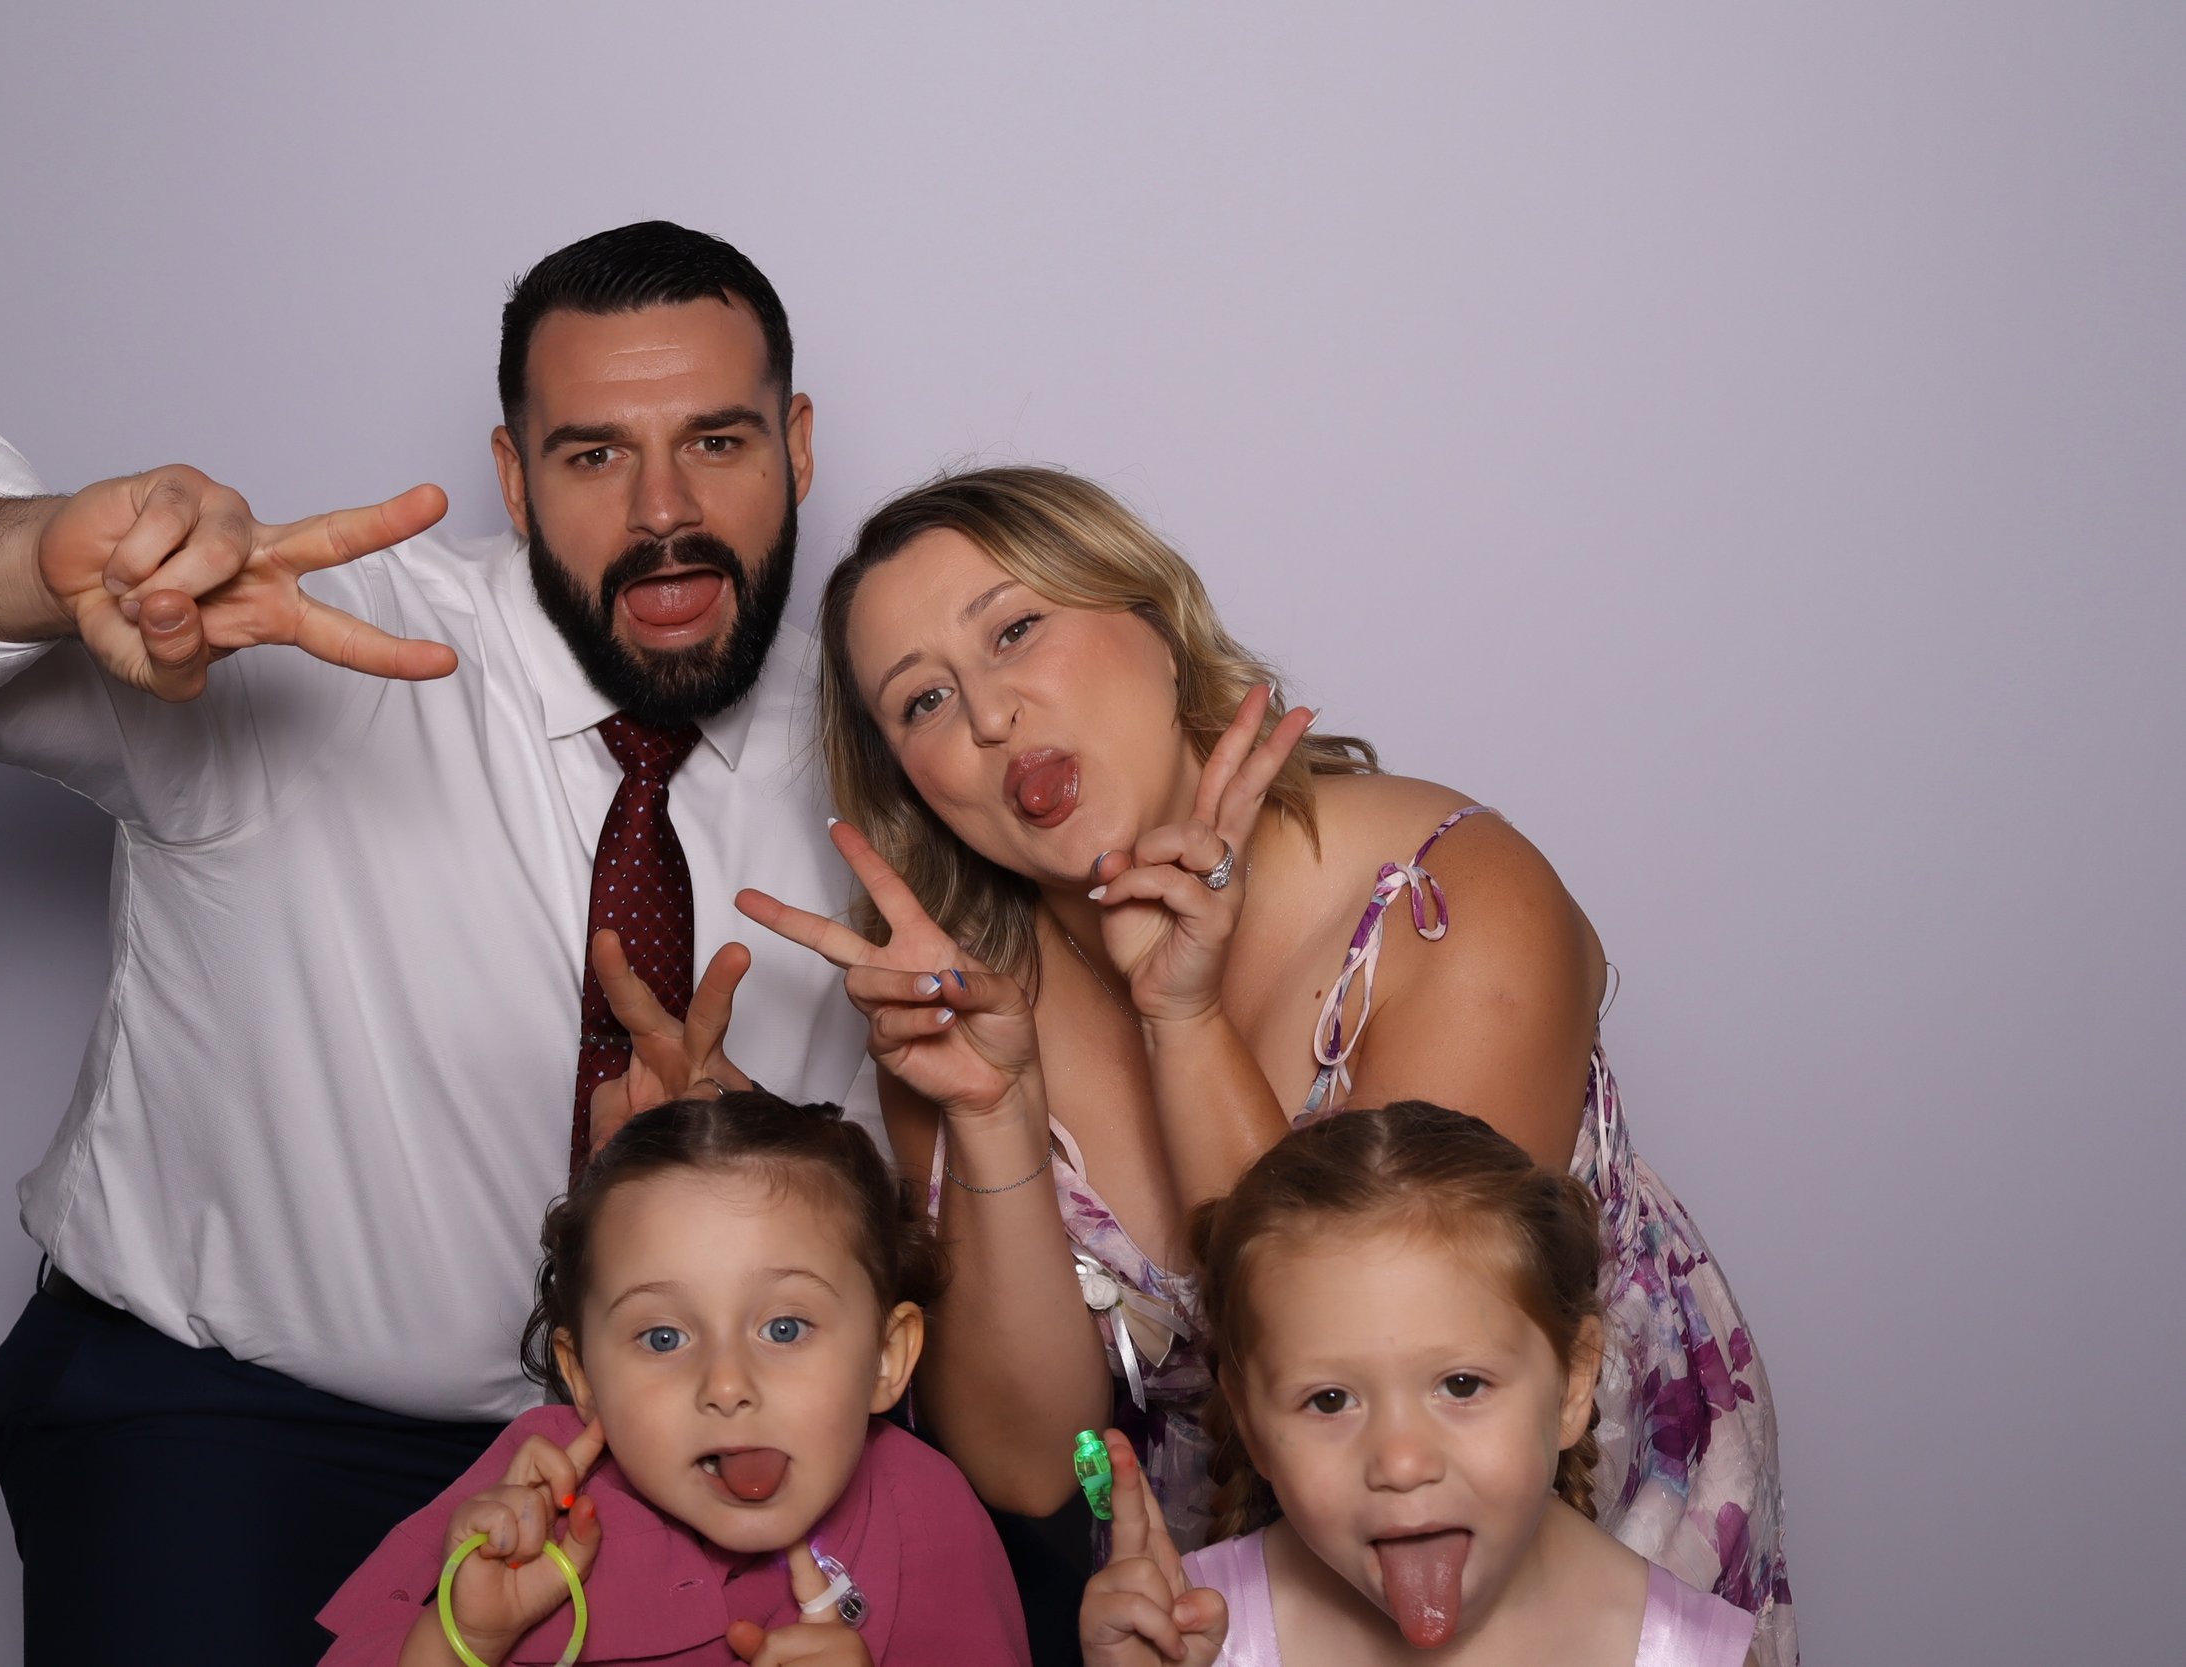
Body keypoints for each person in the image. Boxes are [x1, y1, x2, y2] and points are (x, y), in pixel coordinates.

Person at [0, 222, 873, 1666]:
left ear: (796, 447)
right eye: (592, 454)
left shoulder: (885, 731)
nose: (664, 511)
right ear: (513, 477)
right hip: (225, 1423)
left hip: (658, 1443)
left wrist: (753, 1173)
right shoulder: (296, 638)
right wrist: (41, 555)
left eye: (719, 441)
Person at [737, 466, 1793, 1662]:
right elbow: (1029, 1468)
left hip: (1576, 1557)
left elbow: (1377, 1328)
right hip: (1230, 1616)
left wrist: (1179, 1020)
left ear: (1154, 623)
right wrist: (988, 1111)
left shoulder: (1454, 899)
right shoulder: (956, 1010)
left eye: (1016, 629)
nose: (988, 715)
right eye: (922, 699)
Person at [315, 1090, 1030, 1666]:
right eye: (664, 1337)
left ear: (886, 1356)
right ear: (584, 1375)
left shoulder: (928, 1513)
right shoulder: (522, 1496)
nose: (726, 1384)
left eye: (785, 1328)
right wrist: (464, 1640)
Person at [1078, 1103, 1758, 1667]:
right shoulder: (1193, 1635)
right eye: (1330, 1399)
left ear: (1573, 1382)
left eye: (1461, 1385)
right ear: (1251, 1422)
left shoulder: (1685, 1653)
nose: (1401, 1463)